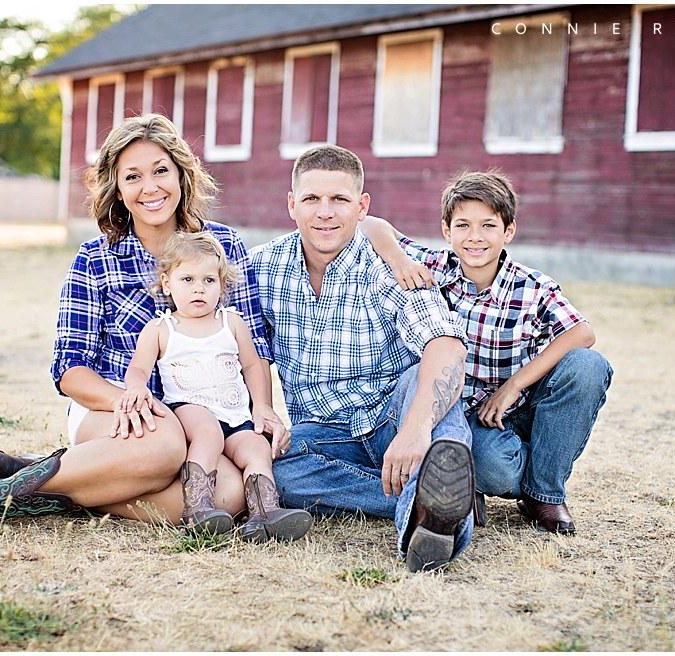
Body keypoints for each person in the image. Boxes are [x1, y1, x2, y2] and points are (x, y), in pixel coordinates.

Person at [0, 114, 287, 533]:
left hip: (207, 422)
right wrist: (126, 400)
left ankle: (43, 480)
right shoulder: (94, 259)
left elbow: (252, 348)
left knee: (230, 495)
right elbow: (70, 371)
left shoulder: (224, 246)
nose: (151, 187)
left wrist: (261, 411)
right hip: (112, 410)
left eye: (161, 171)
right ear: (118, 190)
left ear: (182, 174)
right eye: (133, 177)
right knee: (163, 442)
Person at [250, 144, 476, 573]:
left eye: (339, 199)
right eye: (312, 199)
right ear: (291, 204)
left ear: (362, 206)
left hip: (392, 413)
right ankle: (430, 498)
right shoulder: (263, 267)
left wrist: (413, 431)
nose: (325, 213)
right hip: (324, 433)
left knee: (428, 392)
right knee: (272, 471)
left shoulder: (390, 266)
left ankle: (433, 520)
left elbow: (445, 344)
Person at [360, 170, 613, 534]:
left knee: (588, 366)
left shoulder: (531, 286)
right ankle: (516, 469)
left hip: (523, 405)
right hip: (472, 420)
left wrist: (512, 387)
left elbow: (582, 333)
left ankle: (544, 493)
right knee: (495, 469)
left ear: (508, 231)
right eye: (462, 225)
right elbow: (369, 224)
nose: (474, 237)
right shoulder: (432, 266)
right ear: (447, 231)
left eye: (488, 225)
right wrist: (399, 260)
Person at [117, 231, 312, 542]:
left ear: (222, 287)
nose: (199, 288)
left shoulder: (231, 322)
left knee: (256, 448)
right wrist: (136, 388)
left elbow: (251, 365)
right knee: (208, 432)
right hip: (189, 409)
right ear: (167, 283)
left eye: (209, 280)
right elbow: (138, 368)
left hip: (235, 415)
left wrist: (261, 405)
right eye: (188, 279)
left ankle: (264, 513)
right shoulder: (161, 329)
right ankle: (197, 507)